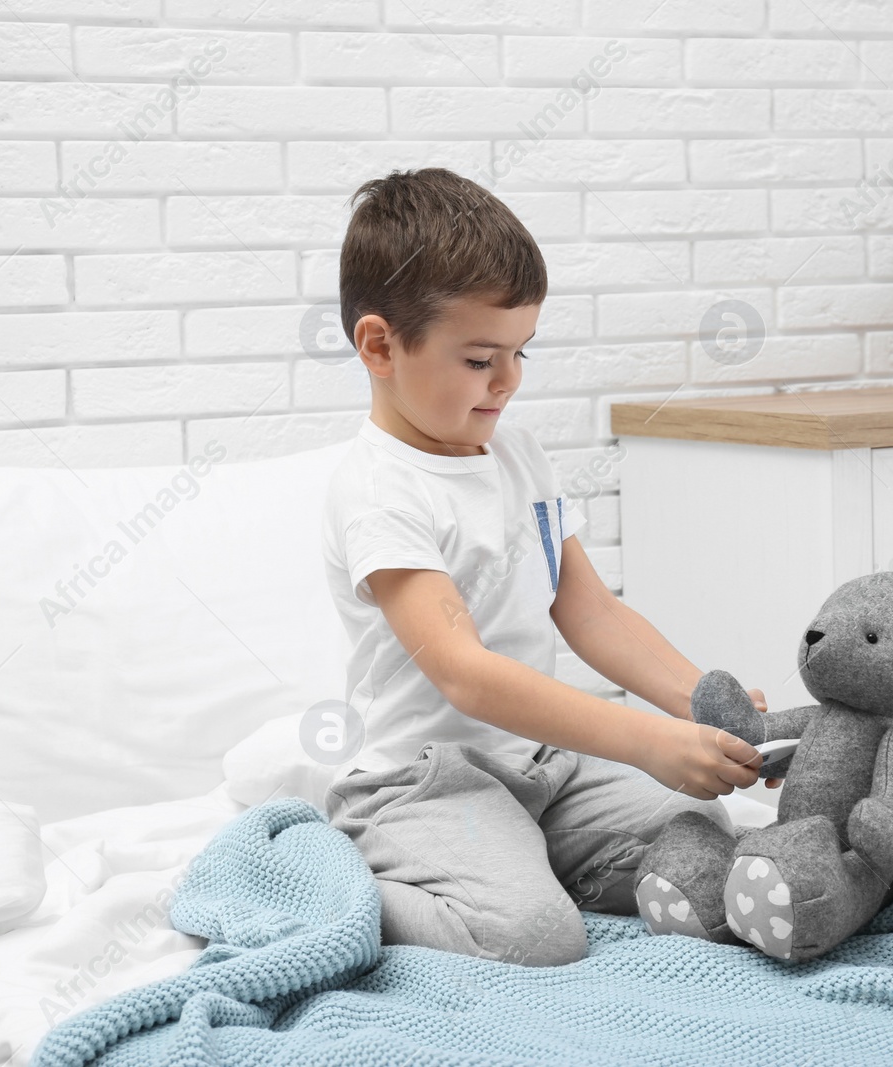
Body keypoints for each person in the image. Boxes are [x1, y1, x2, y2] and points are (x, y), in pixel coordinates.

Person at [321, 167, 778, 967]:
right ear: (379, 344)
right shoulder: (379, 489)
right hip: (423, 785)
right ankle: (345, 877)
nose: (508, 380)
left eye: (520, 351)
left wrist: (704, 703)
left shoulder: (518, 456)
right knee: (534, 937)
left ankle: (538, 859)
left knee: (708, 832)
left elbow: (592, 612)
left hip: (539, 765)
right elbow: (464, 672)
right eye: (478, 359)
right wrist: (647, 740)